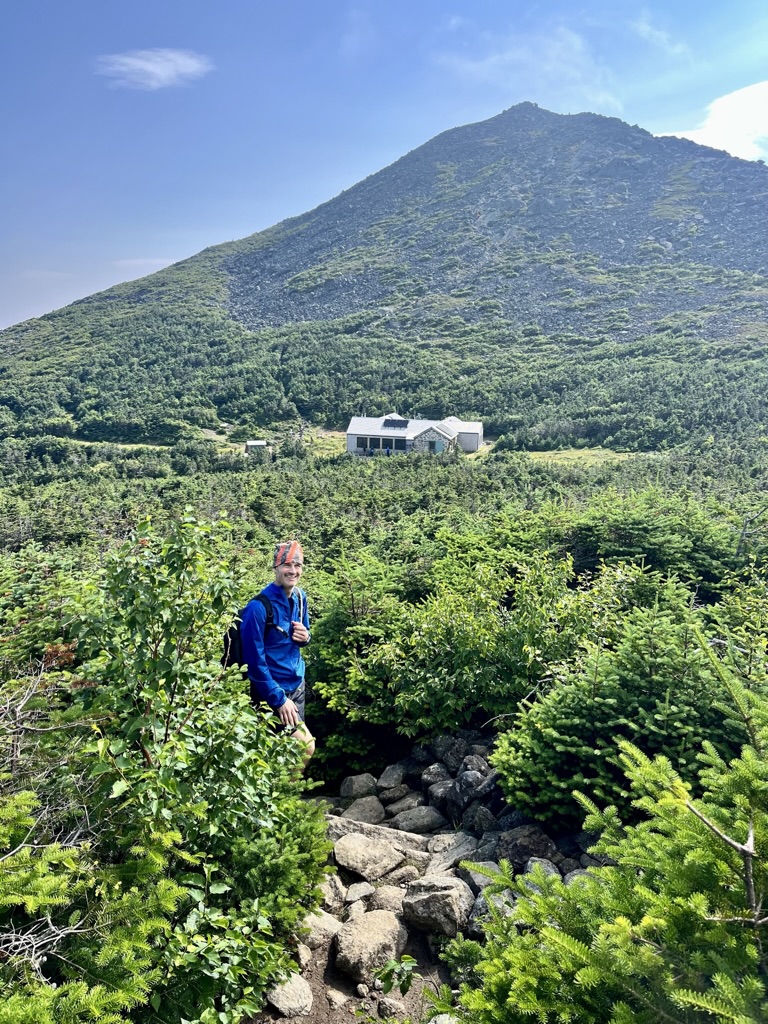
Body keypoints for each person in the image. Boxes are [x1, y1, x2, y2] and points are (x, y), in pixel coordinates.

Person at [240, 540, 315, 765]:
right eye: (287, 565)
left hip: (296, 686)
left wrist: (306, 638)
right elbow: (254, 662)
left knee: (288, 752)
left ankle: (286, 797)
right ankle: (283, 797)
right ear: (276, 567)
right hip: (271, 692)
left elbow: (302, 634)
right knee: (305, 746)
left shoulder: (300, 598)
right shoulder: (257, 608)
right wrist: (278, 699)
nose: (293, 571)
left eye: (297, 565)